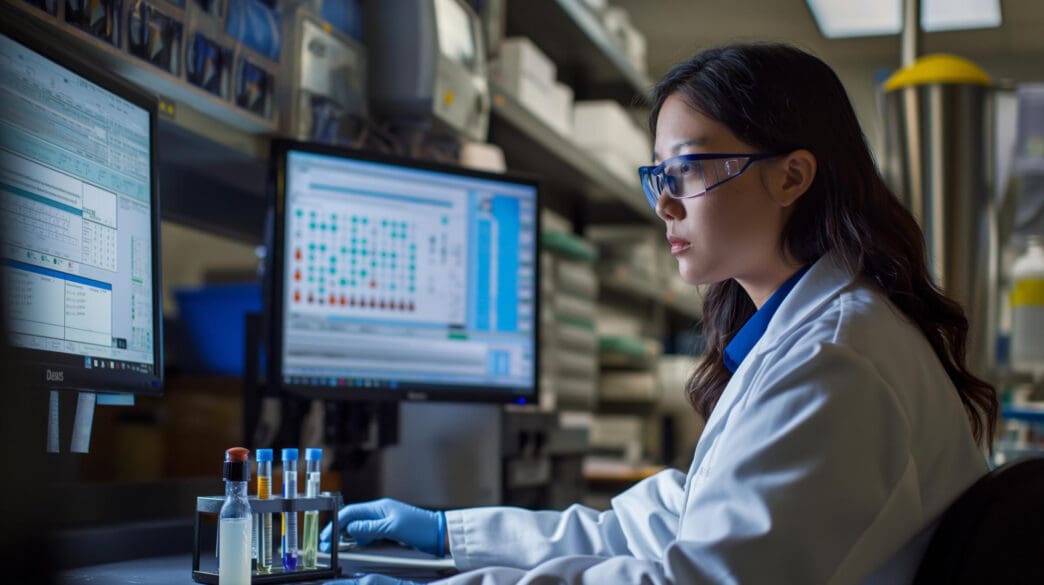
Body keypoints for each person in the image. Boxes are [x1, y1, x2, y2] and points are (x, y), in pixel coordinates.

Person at [320, 43, 997, 585]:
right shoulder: (806, 339)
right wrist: (450, 534)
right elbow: (655, 526)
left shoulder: (834, 361)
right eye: (658, 178)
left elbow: (694, 577)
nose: (665, 205)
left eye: (690, 169)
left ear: (791, 176)